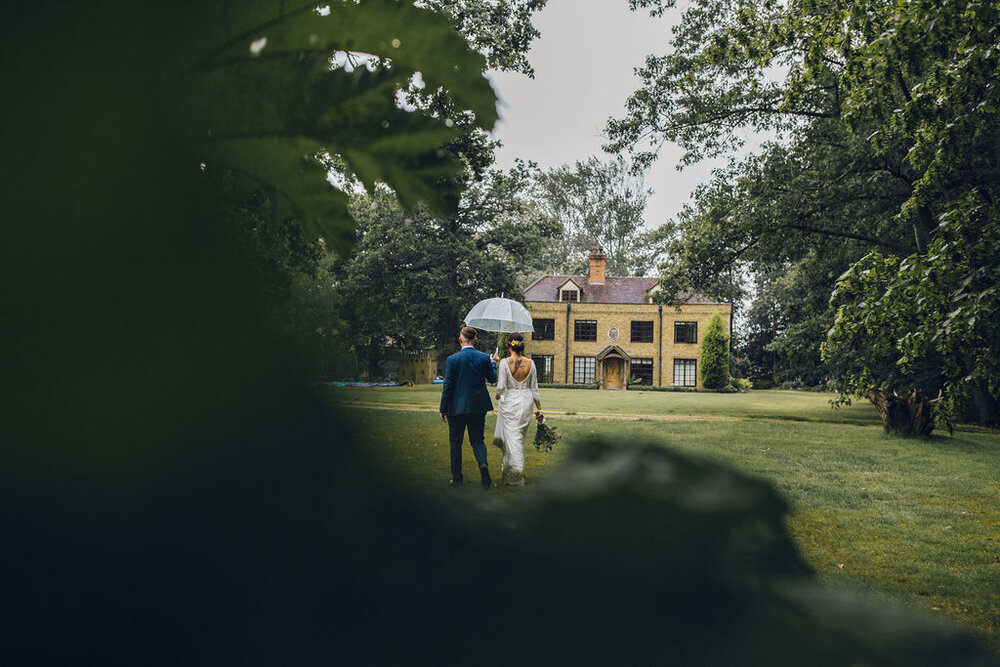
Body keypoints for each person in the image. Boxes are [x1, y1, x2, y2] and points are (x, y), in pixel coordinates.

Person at [439, 326, 500, 489]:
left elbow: (448, 385)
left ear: (460, 340)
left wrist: (443, 408)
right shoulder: (483, 358)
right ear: (475, 340)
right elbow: (492, 379)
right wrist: (493, 363)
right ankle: (483, 466)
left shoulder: (452, 359)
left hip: (456, 408)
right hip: (478, 406)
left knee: (455, 443)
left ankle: (457, 479)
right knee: (478, 440)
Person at [492, 333, 542, 486]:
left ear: (509, 347)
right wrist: (539, 408)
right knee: (518, 437)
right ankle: (509, 471)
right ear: (522, 347)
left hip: (511, 401)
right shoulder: (531, 363)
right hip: (526, 402)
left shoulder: (504, 363)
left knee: (513, 439)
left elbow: (500, 386)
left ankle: (516, 473)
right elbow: (534, 389)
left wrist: (498, 395)